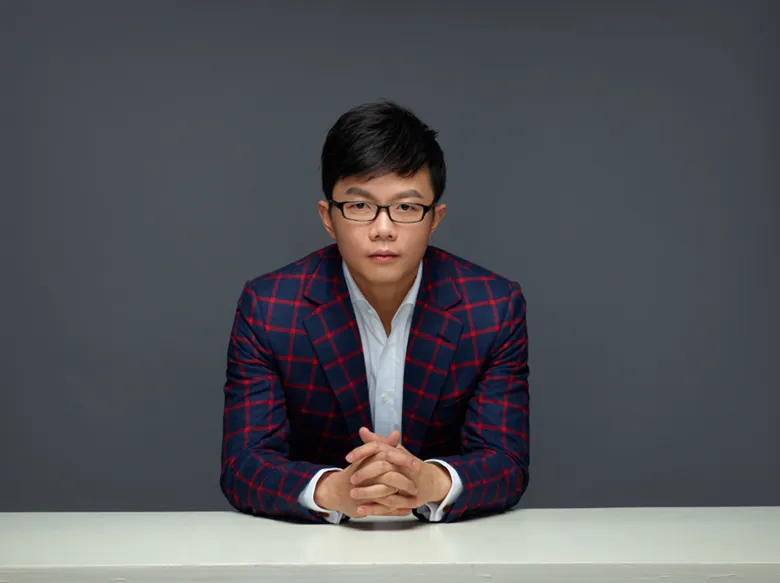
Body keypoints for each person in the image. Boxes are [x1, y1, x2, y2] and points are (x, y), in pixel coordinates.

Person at [219, 100, 530, 524]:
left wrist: (431, 482)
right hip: (314, 548)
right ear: (328, 217)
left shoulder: (493, 307)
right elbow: (244, 464)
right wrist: (334, 491)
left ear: (435, 219)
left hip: (444, 547)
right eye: (360, 206)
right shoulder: (269, 308)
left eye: (406, 207)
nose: (383, 229)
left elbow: (506, 461)